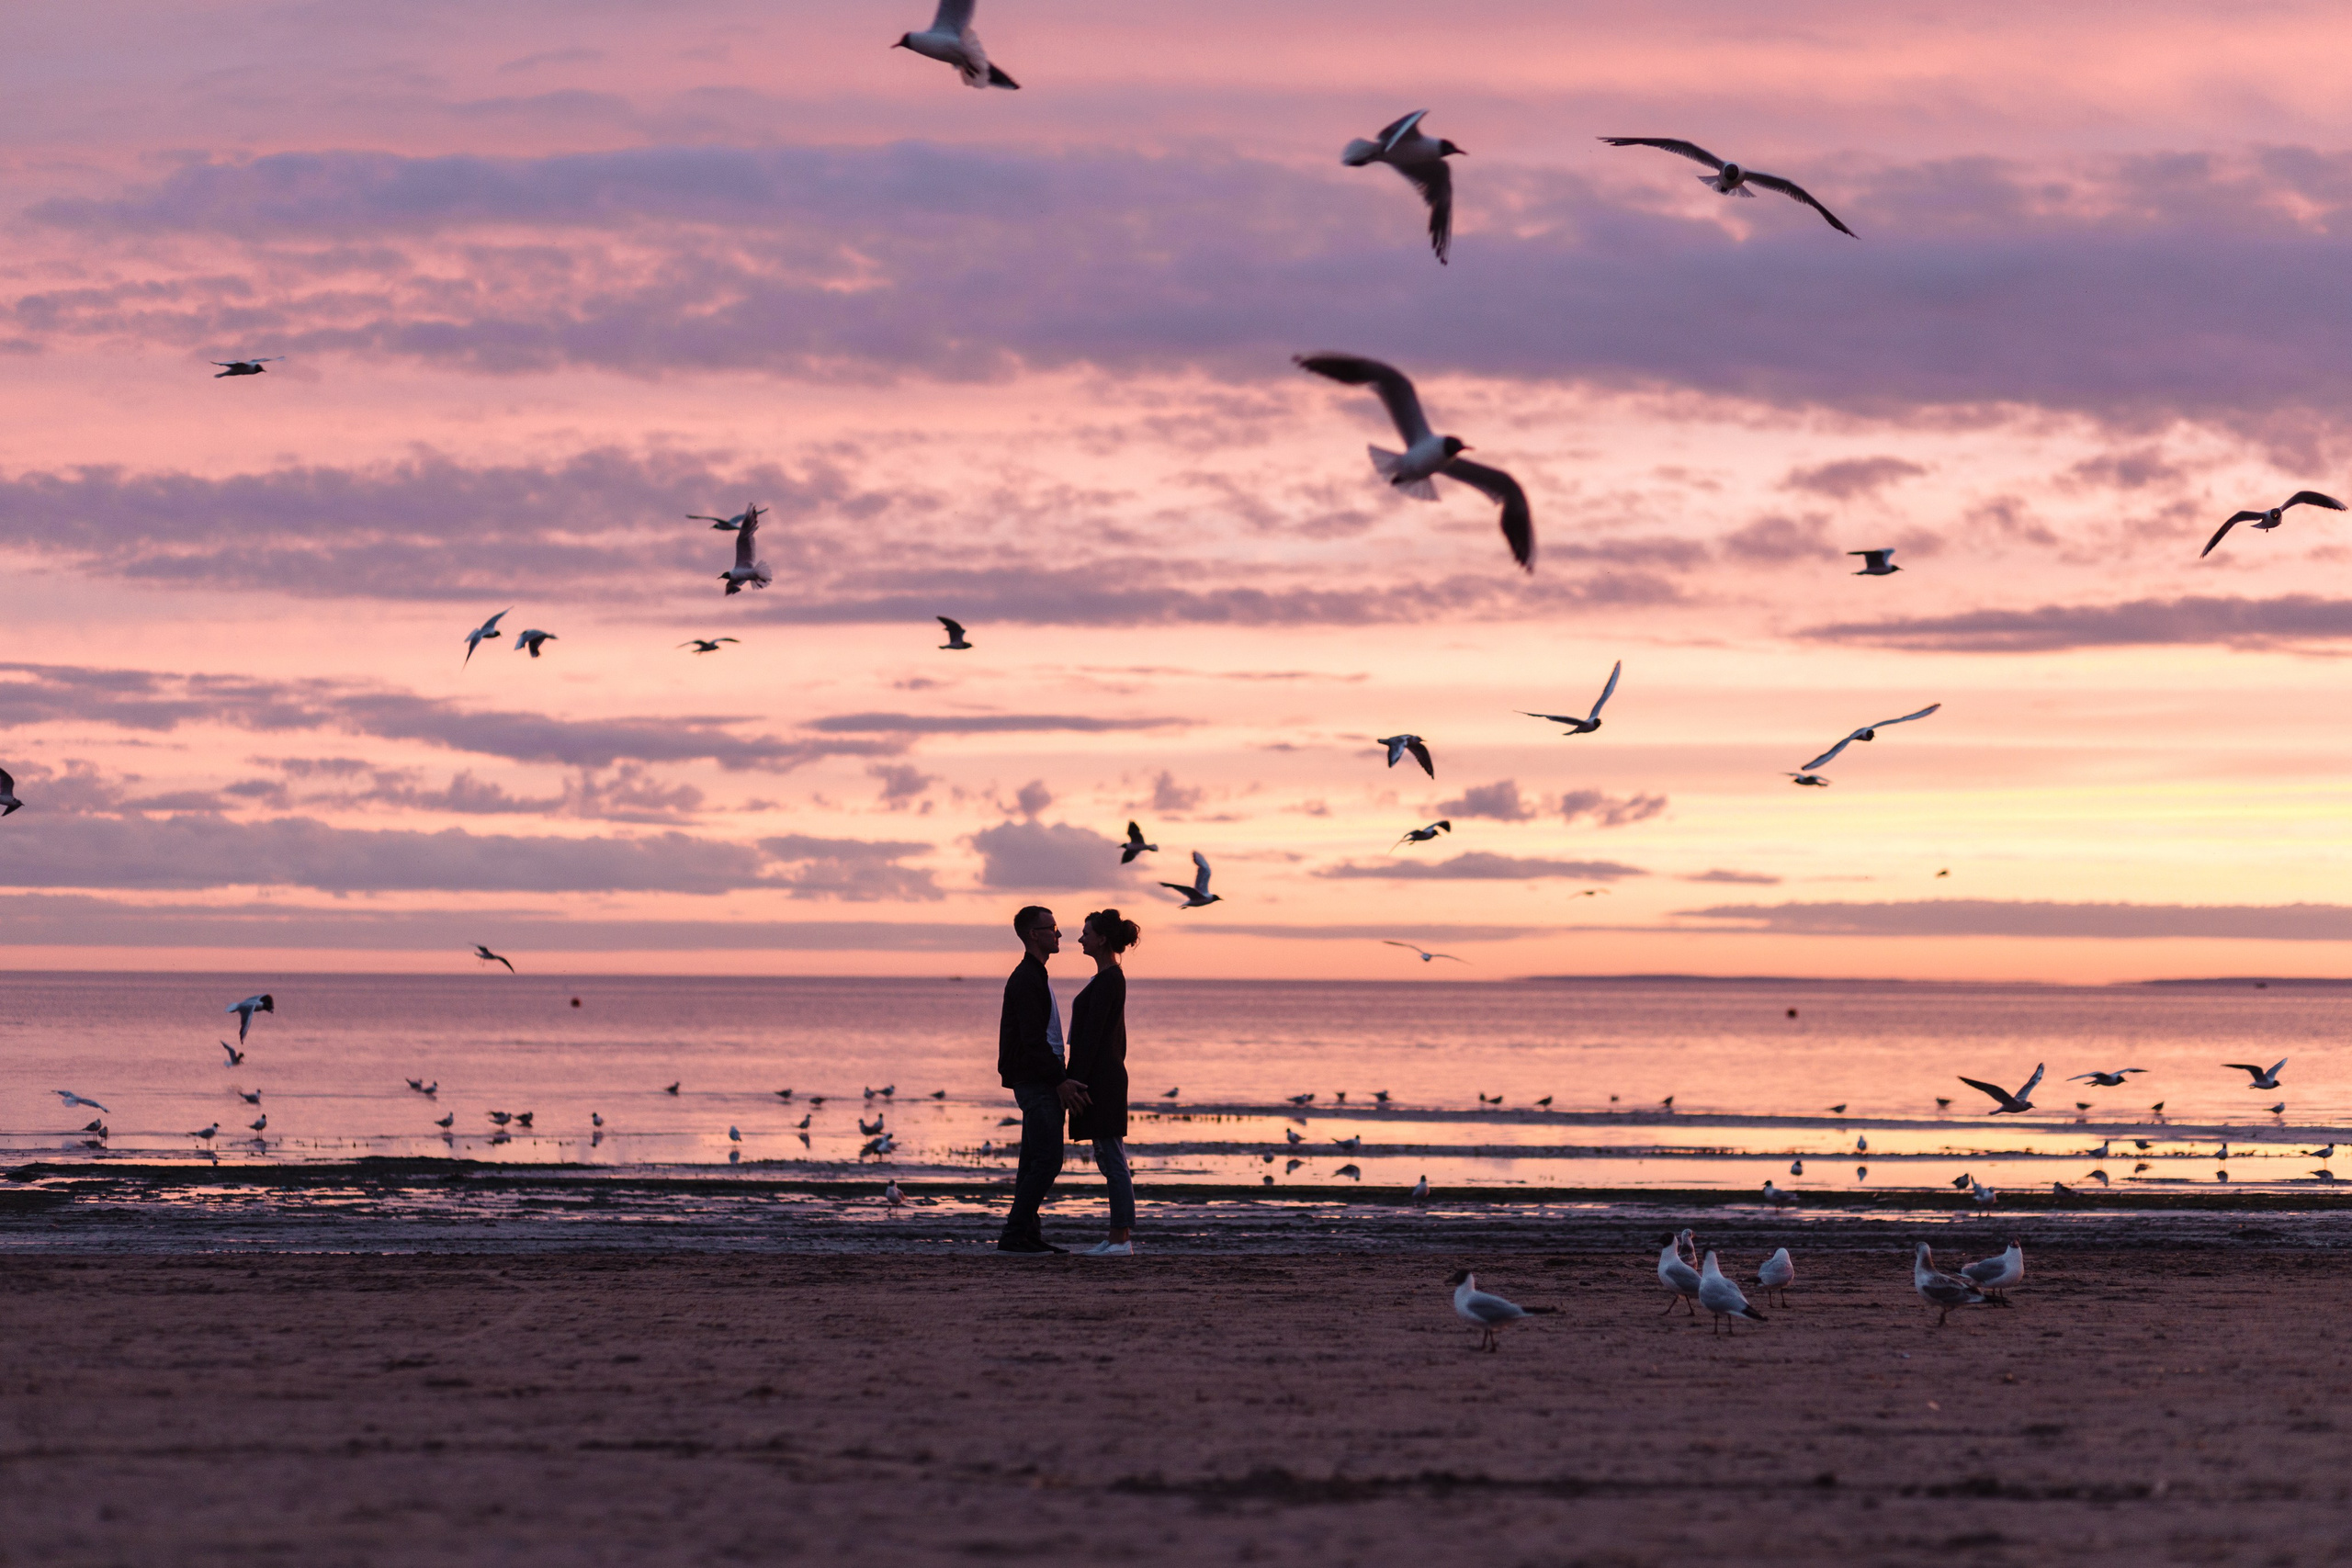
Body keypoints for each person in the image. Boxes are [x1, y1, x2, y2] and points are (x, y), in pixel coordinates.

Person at [996, 905, 1089, 1254]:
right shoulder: (1027, 978)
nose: (1059, 933)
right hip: (1037, 1081)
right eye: (1051, 928)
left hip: (1037, 1078)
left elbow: (1040, 1038)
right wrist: (1059, 1080)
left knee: (1033, 1161)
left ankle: (1026, 1233)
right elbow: (1034, 1041)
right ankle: (1014, 1234)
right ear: (1033, 934)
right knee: (1048, 1161)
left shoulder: (1035, 974)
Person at [1067, 908, 1140, 1256]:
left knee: (1112, 1158)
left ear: (1102, 939)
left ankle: (1121, 1238)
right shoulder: (1105, 977)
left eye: (1086, 933)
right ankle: (1115, 1236)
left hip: (1103, 1080)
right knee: (1107, 1157)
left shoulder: (1111, 978)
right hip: (1101, 1077)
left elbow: (1093, 1037)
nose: (1080, 938)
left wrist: (1074, 1081)